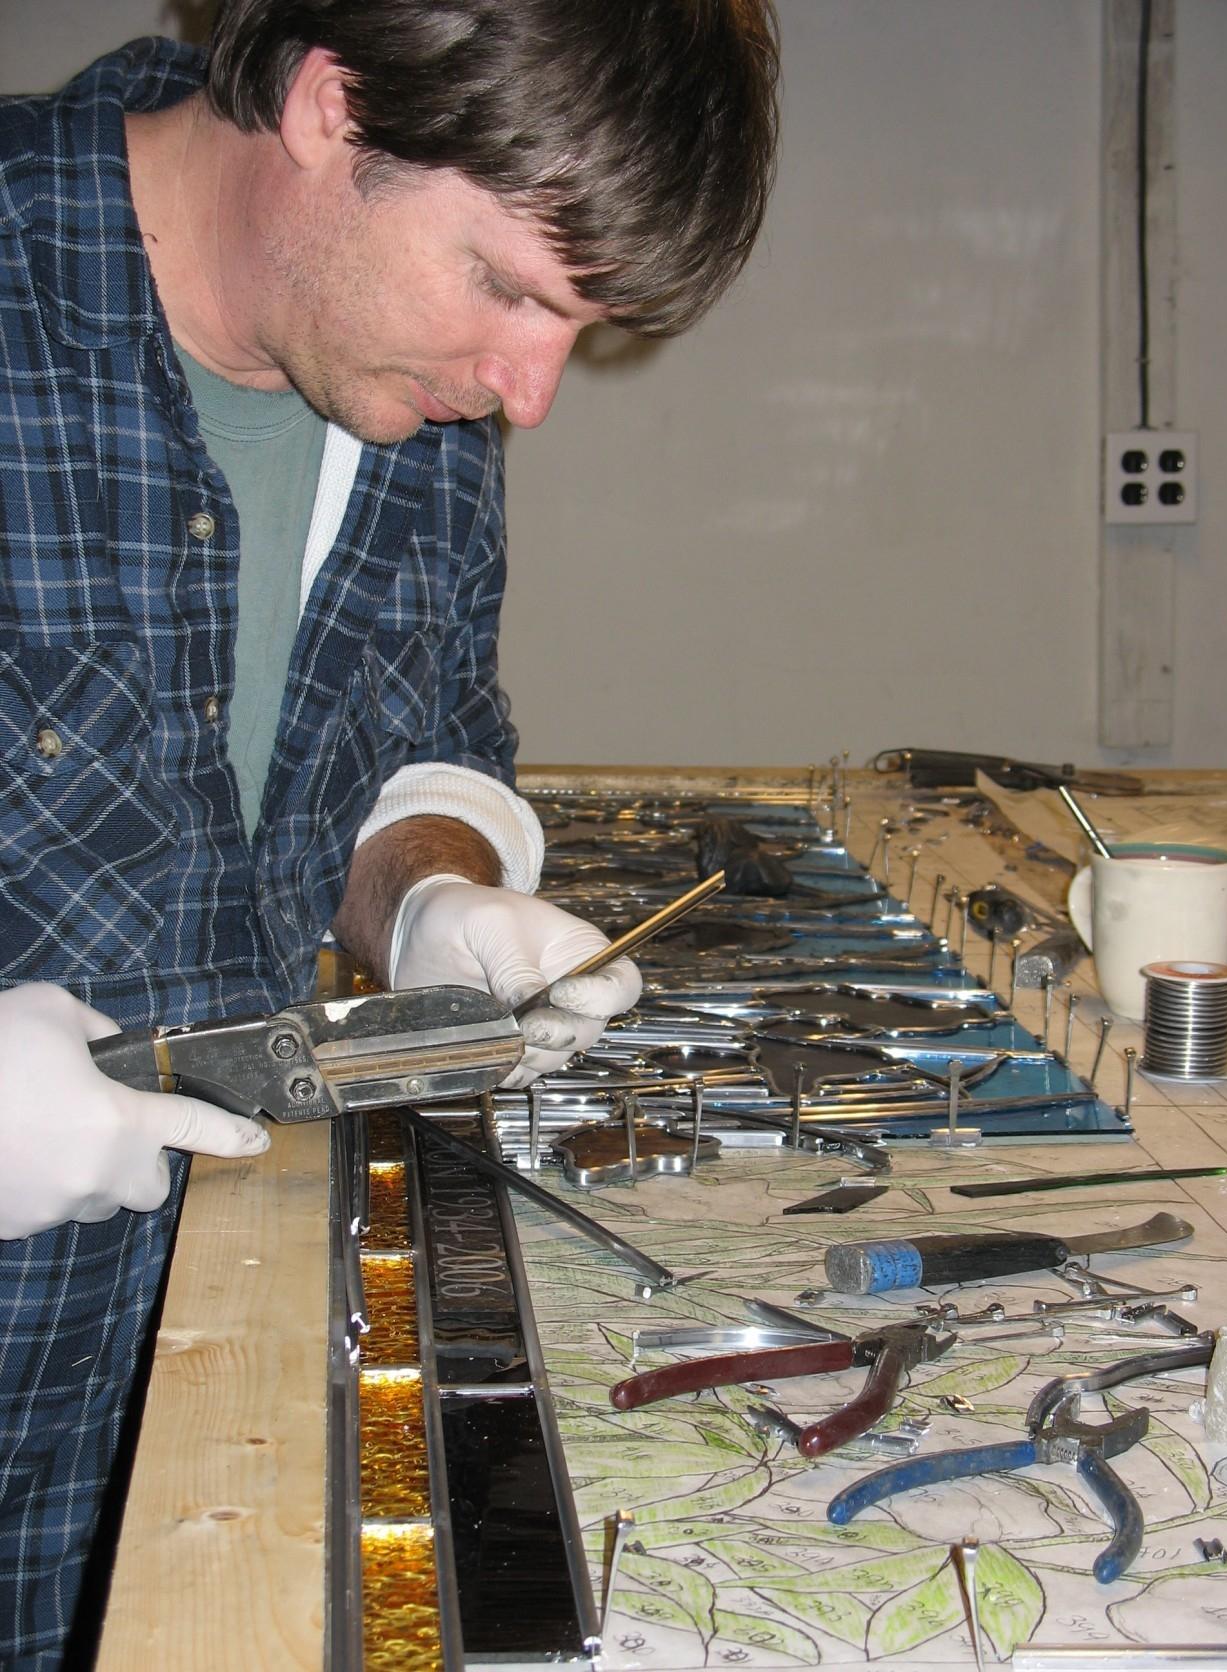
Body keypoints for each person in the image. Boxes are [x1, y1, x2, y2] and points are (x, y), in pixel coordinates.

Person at [0, 0, 779, 1661]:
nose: (530, 391)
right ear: (331, 109)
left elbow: (418, 741)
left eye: (576, 326)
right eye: (504, 285)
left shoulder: (408, 389)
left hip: (224, 1383)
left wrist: (429, 887)